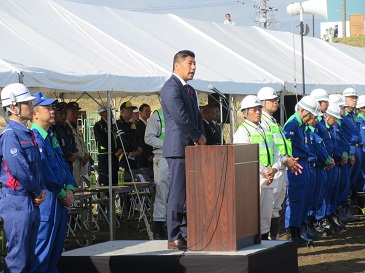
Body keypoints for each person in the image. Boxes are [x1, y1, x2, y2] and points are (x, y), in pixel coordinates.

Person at [161, 50, 206, 250]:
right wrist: (197, 136)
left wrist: (201, 137)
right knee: (178, 194)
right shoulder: (171, 87)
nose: (194, 67)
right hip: (178, 148)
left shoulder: (189, 89)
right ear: (177, 65)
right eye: (190, 63)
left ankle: (187, 231)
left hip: (192, 148)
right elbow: (180, 117)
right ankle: (173, 234)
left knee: (190, 194)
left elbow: (197, 117)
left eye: (195, 63)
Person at [0, 83, 46, 273]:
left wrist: (40, 190)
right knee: (17, 259)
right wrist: (37, 190)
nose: (31, 106)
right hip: (17, 200)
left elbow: (36, 166)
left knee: (28, 258)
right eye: (26, 103)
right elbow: (19, 169)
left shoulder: (27, 133)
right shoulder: (10, 135)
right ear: (13, 107)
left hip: (30, 199)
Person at [30, 92, 75, 273]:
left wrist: (70, 187)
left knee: (55, 251)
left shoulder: (50, 136)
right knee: (42, 252)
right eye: (47, 108)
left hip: (60, 198)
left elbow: (63, 165)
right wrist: (63, 194)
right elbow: (45, 172)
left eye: (52, 108)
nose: (52, 111)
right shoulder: (35, 138)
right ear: (35, 114)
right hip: (49, 198)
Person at [233, 95, 281, 240]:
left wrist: (274, 168)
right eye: (254, 110)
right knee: (253, 213)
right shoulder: (243, 131)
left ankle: (265, 239)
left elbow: (276, 151)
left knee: (266, 213)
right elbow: (245, 155)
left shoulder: (265, 130)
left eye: (259, 109)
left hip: (268, 178)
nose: (258, 112)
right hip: (253, 179)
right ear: (245, 112)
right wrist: (264, 170)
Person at [257, 87, 302, 240]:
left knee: (276, 207)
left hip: (281, 167)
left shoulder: (273, 121)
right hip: (272, 170)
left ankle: (274, 238)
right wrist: (284, 160)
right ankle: (267, 238)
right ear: (262, 102)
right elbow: (271, 149)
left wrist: (287, 159)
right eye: (272, 100)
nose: (276, 102)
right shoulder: (262, 123)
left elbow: (280, 146)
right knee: (268, 208)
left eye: (276, 100)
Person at [283, 96, 321, 247]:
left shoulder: (300, 126)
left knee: (304, 199)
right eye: (311, 115)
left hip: (303, 165)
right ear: (303, 111)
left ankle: (298, 231)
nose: (312, 119)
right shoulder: (292, 125)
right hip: (295, 166)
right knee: (296, 199)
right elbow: (286, 148)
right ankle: (292, 233)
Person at [144, 108, 170, 239]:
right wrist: (167, 144)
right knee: (162, 193)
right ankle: (160, 229)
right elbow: (148, 138)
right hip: (162, 157)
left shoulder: (181, 112)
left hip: (178, 157)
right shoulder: (158, 116)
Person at [341, 87, 361, 220]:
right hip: (349, 148)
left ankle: (348, 207)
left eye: (355, 98)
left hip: (357, 148)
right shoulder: (342, 116)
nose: (354, 100)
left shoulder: (354, 116)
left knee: (353, 180)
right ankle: (343, 209)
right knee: (346, 181)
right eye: (351, 98)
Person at [94, 105, 123, 186]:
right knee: (105, 179)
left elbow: (117, 137)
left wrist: (120, 148)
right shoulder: (98, 125)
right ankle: (104, 197)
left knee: (115, 179)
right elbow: (102, 140)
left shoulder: (113, 125)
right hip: (105, 156)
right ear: (102, 113)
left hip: (114, 156)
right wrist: (114, 150)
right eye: (108, 112)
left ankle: (114, 197)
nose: (111, 114)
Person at [66, 101, 90, 187]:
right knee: (74, 186)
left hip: (82, 162)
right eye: (73, 113)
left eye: (77, 113)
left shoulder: (76, 127)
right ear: (67, 113)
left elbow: (82, 143)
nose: (75, 115)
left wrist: (86, 153)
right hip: (74, 161)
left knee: (80, 185)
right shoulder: (66, 127)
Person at [53, 101, 77, 173]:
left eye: (65, 114)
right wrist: (68, 155)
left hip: (70, 162)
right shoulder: (54, 128)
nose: (63, 116)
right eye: (61, 114)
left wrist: (74, 153)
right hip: (61, 161)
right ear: (56, 114)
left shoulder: (68, 127)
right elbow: (57, 145)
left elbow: (73, 142)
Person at [115, 101, 140, 171]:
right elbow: (123, 140)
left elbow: (137, 137)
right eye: (129, 110)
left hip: (134, 157)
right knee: (124, 178)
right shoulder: (118, 124)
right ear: (122, 112)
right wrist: (131, 149)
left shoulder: (131, 124)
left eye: (132, 110)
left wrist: (137, 149)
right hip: (124, 157)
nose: (131, 112)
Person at [136, 103, 154, 169]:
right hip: (144, 155)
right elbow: (142, 141)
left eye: (149, 111)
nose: (148, 113)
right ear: (140, 112)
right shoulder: (138, 125)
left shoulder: (148, 124)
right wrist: (148, 155)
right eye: (146, 111)